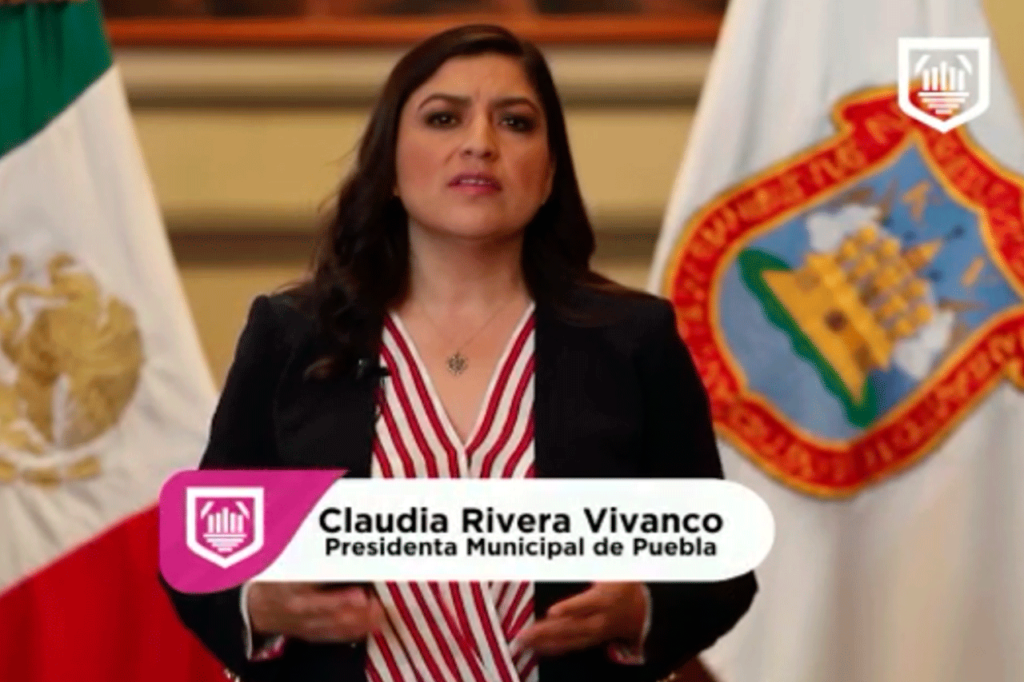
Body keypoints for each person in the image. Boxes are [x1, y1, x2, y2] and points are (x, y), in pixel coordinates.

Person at [160, 23, 756, 682]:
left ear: (549, 171)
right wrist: (258, 602)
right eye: (444, 118)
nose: (480, 143)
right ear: (389, 163)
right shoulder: (294, 334)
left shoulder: (632, 338)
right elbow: (201, 549)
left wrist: (641, 608)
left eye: (515, 122)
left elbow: (718, 566)